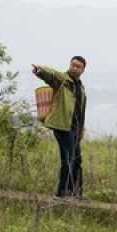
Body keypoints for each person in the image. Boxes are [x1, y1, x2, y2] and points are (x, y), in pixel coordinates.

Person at [32, 56, 87, 198]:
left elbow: (80, 112)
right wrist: (40, 70)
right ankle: (62, 193)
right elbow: (51, 75)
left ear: (83, 70)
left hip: (75, 129)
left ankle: (77, 192)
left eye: (78, 66)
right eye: (73, 65)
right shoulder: (63, 80)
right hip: (62, 126)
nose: (74, 68)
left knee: (77, 160)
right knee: (68, 159)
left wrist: (81, 130)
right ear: (70, 65)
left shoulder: (80, 87)